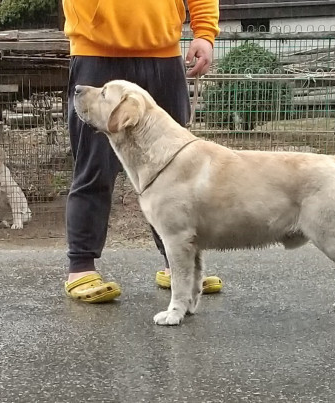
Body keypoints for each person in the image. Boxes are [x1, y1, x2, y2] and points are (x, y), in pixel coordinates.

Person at [62, 0, 223, 303]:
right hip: (95, 51)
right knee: (93, 167)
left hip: (162, 55)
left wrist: (204, 33)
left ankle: (176, 265)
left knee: (175, 170)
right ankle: (81, 267)